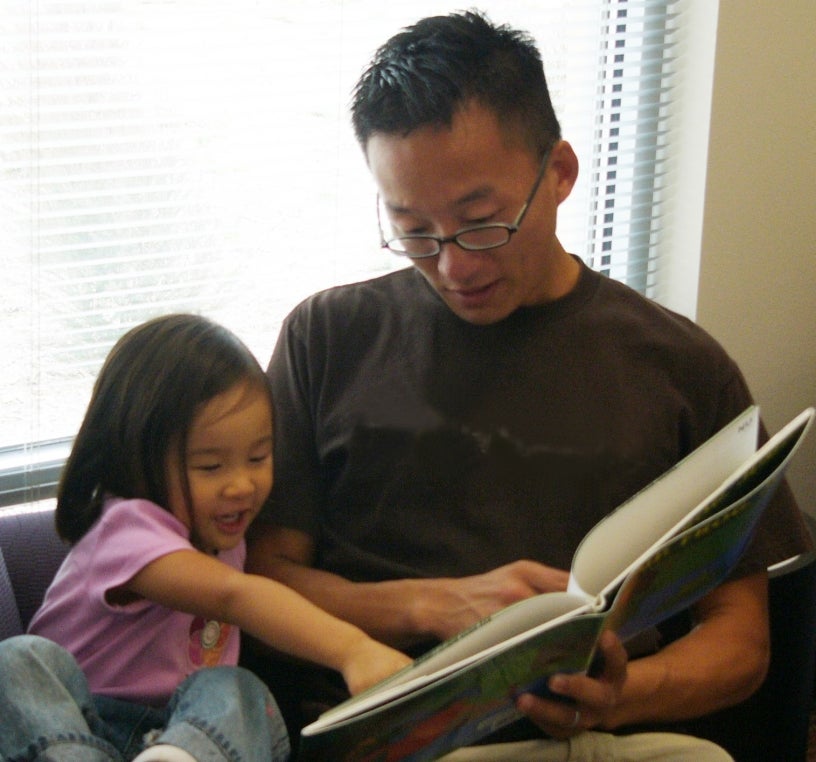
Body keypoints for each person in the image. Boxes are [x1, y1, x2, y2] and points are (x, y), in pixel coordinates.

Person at [242, 10, 812, 762]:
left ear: (561, 174)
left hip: (608, 737)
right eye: (414, 230)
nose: (453, 266)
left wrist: (620, 696)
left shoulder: (681, 365)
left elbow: (743, 641)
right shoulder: (328, 337)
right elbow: (264, 580)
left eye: (481, 223)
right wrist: (434, 605)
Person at [0, 314, 410, 762]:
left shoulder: (228, 536)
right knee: (18, 660)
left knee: (237, 688)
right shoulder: (126, 526)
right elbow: (234, 596)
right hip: (81, 727)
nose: (242, 485)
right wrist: (353, 650)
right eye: (211, 467)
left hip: (189, 736)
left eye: (258, 456)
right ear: (135, 457)